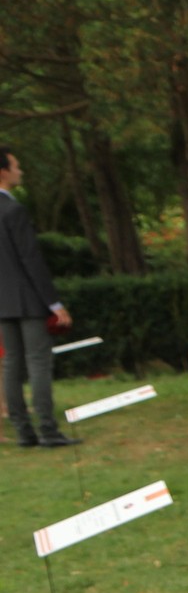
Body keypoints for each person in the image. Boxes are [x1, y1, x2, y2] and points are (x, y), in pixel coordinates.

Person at [0, 146, 79, 448]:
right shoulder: (14, 210)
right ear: (3, 172)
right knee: (38, 364)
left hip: (2, 303)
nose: (20, 171)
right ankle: (48, 430)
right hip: (28, 300)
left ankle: (24, 433)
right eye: (16, 166)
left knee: (11, 365)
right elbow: (31, 259)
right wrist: (55, 304)